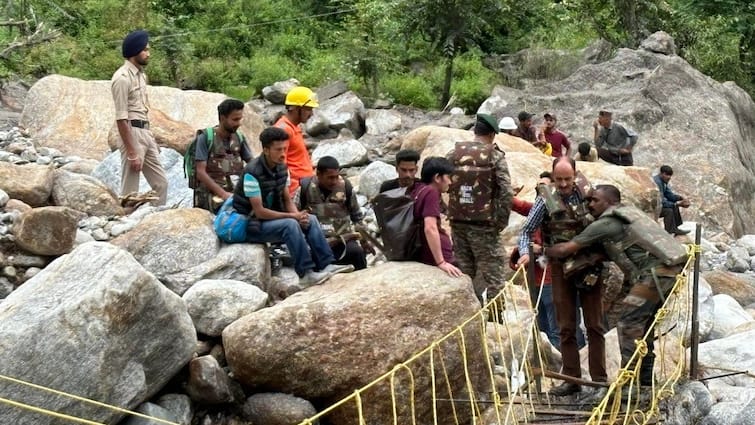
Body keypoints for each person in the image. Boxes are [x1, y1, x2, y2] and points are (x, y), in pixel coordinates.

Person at [544, 184, 689, 393]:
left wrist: (543, 250)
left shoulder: (607, 222)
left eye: (595, 200)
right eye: (589, 200)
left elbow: (567, 248)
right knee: (644, 326)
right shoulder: (629, 212)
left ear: (610, 201)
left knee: (628, 322)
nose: (590, 204)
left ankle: (629, 387)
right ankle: (645, 382)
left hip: (654, 275)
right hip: (666, 272)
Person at [517, 157, 607, 396]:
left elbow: (609, 224)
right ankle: (571, 379)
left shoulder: (592, 196)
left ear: (576, 174)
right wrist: (525, 253)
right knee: (565, 325)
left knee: (595, 324)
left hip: (590, 266)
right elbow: (526, 231)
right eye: (559, 180)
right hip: (559, 269)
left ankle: (599, 380)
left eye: (568, 179)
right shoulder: (545, 200)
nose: (564, 184)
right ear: (553, 178)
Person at [231, 127, 353, 287]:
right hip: (251, 224)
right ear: (266, 150)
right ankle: (306, 274)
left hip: (268, 221)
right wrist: (292, 217)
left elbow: (287, 200)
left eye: (285, 149)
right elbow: (259, 212)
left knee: (310, 219)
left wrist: (299, 216)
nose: (283, 153)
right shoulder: (251, 173)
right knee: (290, 225)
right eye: (278, 149)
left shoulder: (282, 168)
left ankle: (326, 263)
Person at [447, 113, 513, 302]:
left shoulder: (455, 153)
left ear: (475, 130)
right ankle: (496, 321)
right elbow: (506, 192)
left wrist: (446, 209)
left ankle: (468, 315)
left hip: (458, 224)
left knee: (464, 274)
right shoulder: (494, 155)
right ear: (492, 134)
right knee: (495, 278)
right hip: (485, 227)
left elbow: (437, 179)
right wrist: (501, 221)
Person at [111, 30, 168, 205]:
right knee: (130, 191)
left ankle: (152, 221)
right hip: (132, 133)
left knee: (161, 183)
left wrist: (151, 138)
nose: (148, 54)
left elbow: (142, 109)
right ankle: (125, 226)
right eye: (145, 50)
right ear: (134, 51)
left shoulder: (141, 76)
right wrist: (132, 151)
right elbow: (121, 118)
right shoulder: (121, 78)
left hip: (145, 131)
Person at [298, 156, 367, 270]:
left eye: (336, 177)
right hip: (316, 244)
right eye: (330, 178)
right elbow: (294, 215)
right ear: (318, 174)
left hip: (343, 242)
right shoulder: (305, 189)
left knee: (357, 253)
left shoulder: (346, 188)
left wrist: (365, 241)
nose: (334, 181)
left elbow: (357, 217)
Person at [193, 98, 253, 212]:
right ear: (222, 118)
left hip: (236, 193)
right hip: (211, 196)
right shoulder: (205, 138)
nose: (238, 124)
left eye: (240, 119)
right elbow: (200, 172)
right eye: (235, 120)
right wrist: (223, 194)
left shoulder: (239, 138)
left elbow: (252, 163)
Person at [411, 156, 462, 277]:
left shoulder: (418, 189)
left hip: (422, 251)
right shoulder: (431, 192)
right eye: (448, 177)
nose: (450, 182)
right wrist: (441, 262)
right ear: (437, 177)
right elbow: (430, 228)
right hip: (436, 256)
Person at [275, 86, 318, 196]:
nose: (311, 113)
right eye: (308, 109)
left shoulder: (294, 127)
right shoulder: (283, 130)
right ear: (296, 108)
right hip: (296, 191)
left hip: (305, 184)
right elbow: (279, 166)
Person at [653, 165, 690, 235]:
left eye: (670, 175)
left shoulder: (663, 182)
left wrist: (681, 198)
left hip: (659, 205)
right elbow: (661, 201)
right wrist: (677, 204)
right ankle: (670, 230)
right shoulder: (657, 183)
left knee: (673, 205)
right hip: (653, 207)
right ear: (661, 173)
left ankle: (675, 228)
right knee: (669, 211)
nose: (669, 177)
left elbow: (669, 195)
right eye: (666, 175)